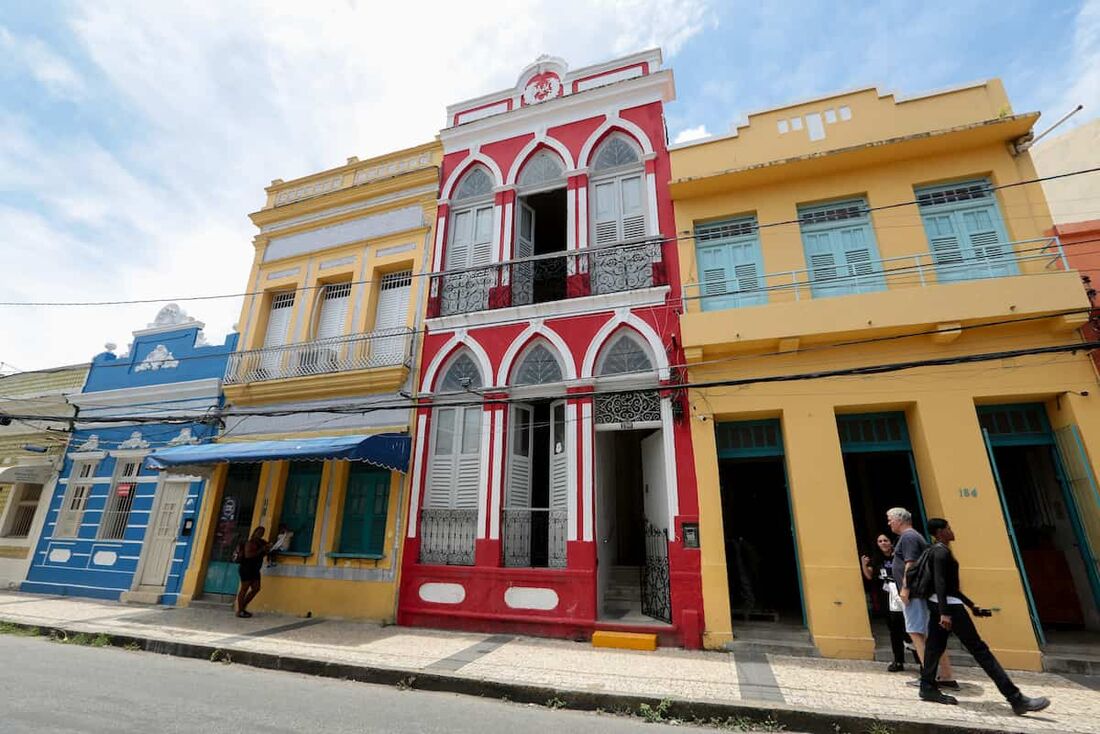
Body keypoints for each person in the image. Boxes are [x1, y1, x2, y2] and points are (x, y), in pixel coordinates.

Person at [918, 518, 1050, 715]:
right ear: (939, 532)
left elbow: (951, 587)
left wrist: (971, 605)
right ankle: (1015, 698)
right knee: (980, 650)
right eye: (947, 528)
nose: (951, 530)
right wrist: (945, 612)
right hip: (948, 608)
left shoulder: (940, 551)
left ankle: (927, 687)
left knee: (934, 647)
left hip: (943, 604)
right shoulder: (940, 552)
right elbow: (940, 582)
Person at [887, 507, 956, 688]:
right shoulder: (913, 536)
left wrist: (905, 588)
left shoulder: (908, 537)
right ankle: (946, 674)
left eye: (890, 520)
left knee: (916, 633)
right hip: (919, 592)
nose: (889, 523)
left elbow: (910, 564)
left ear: (899, 520)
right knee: (928, 634)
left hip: (915, 592)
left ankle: (929, 676)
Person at [861, 533, 908, 672]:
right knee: (894, 629)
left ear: (891, 542)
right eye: (880, 541)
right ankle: (898, 660)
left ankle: (920, 657)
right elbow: (870, 575)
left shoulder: (899, 557)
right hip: (886, 596)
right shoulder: (877, 559)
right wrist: (864, 565)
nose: (882, 543)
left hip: (901, 594)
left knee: (908, 628)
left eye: (885, 540)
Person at [236, 526, 271, 619]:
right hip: (246, 568)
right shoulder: (250, 543)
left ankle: (243, 607)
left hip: (255, 569)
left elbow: (267, 550)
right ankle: (240, 610)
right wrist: (261, 550)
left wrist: (268, 548)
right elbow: (248, 555)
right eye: (259, 532)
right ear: (255, 532)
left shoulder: (262, 542)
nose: (261, 534)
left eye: (262, 532)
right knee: (244, 589)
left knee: (256, 588)